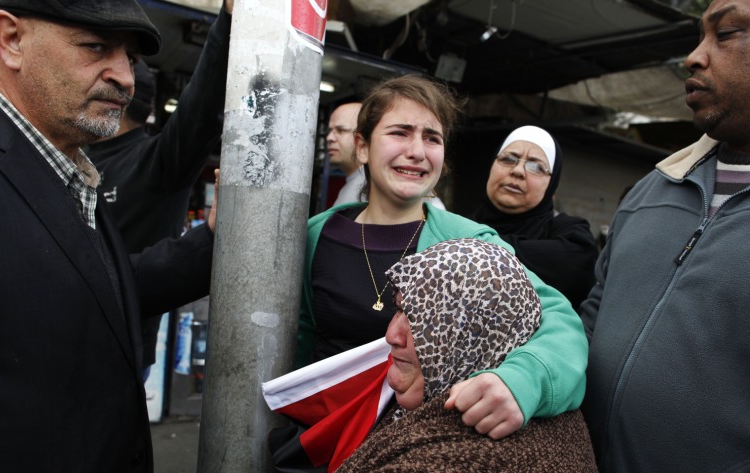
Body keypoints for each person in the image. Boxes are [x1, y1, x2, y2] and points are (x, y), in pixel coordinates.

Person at [298, 74, 587, 443]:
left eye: (432, 138)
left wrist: (523, 382)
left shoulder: (469, 242)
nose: (417, 151)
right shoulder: (316, 234)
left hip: (416, 451)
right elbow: (300, 343)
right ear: (363, 146)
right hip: (319, 441)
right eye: (400, 132)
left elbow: (560, 323)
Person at [0, 1, 216, 471]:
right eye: (96, 47)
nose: (126, 79)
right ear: (11, 39)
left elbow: (94, 295)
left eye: (129, 57)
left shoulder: (69, 167)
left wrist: (212, 240)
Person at [580, 0, 750, 470]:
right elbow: (594, 313)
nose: (694, 57)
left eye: (728, 33)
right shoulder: (652, 188)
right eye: (699, 37)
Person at [338, 239, 597, 472]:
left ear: (476, 334)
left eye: (422, 321)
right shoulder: (438, 399)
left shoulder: (453, 457)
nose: (391, 335)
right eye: (398, 310)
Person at [87, 0, 233, 378]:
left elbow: (201, 112)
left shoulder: (155, 162)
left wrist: (229, 21)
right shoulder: (73, 159)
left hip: (117, 351)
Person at [470, 125, 598, 310]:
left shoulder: (571, 238)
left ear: (552, 185)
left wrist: (475, 248)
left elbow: (576, 268)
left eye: (536, 166)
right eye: (508, 159)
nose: (518, 171)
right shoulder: (456, 226)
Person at [328, 101, 445, 209]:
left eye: (341, 130)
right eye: (399, 134)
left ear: (362, 143)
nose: (330, 138)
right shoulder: (358, 185)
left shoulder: (385, 186)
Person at [328, 102, 364, 207]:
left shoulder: (372, 189)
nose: (329, 138)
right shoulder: (355, 184)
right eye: (330, 131)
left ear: (362, 138)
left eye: (341, 130)